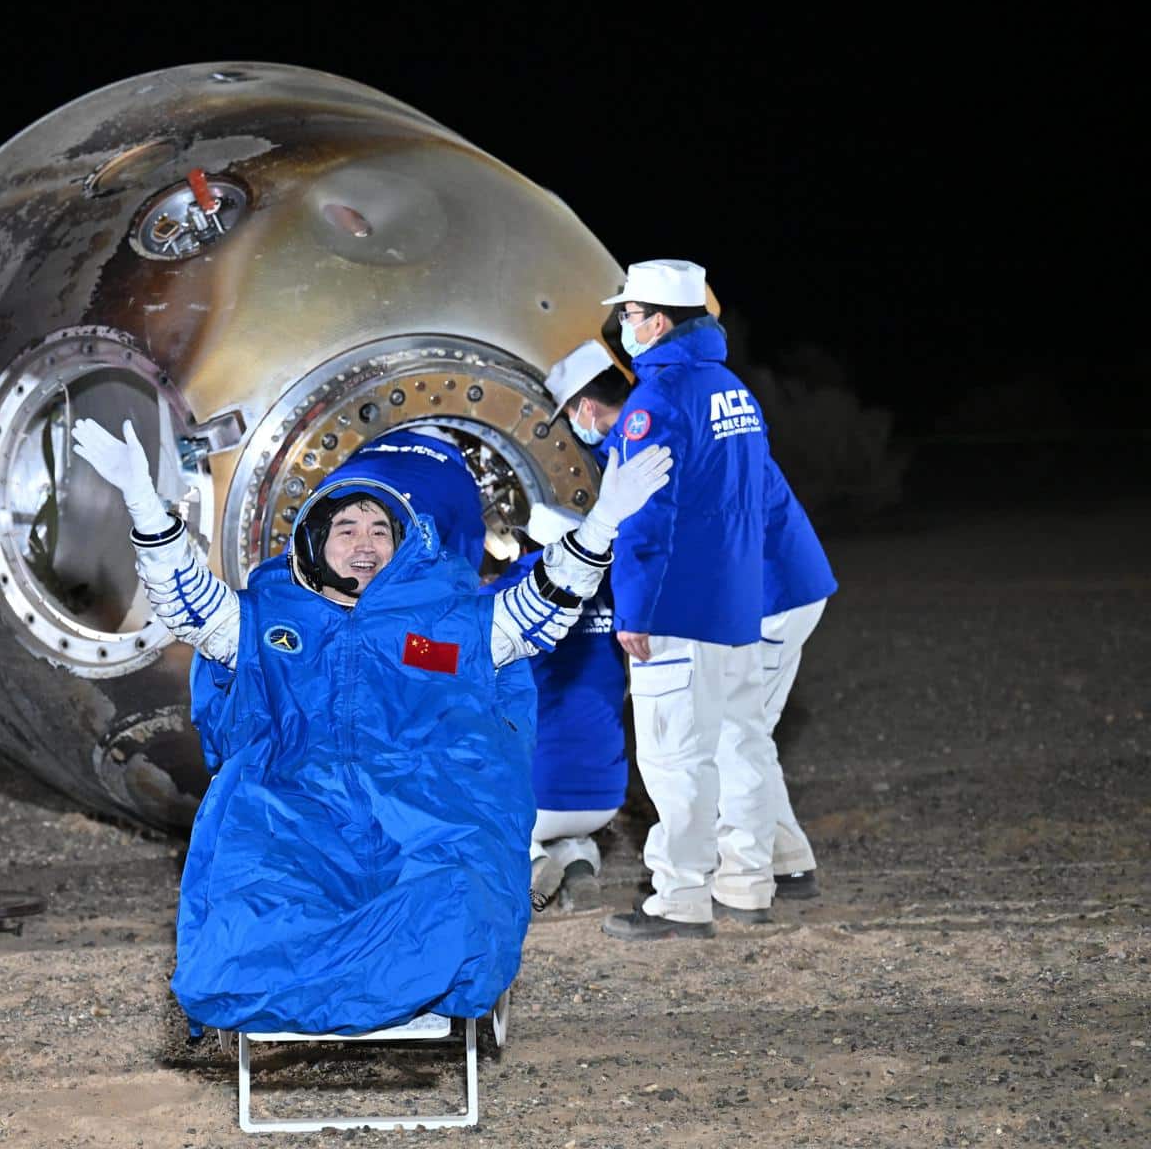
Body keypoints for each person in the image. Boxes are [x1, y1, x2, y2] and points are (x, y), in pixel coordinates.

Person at [71, 417, 672, 1033]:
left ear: (405, 542)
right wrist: (143, 502)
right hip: (293, 815)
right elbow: (185, 601)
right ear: (313, 538)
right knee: (246, 907)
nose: (365, 543)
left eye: (381, 530)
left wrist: (602, 524)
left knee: (457, 903)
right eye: (347, 528)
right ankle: (365, 988)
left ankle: (372, 988)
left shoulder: (445, 622)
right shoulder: (269, 620)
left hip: (423, 818)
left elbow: (539, 613)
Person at [593, 259, 775, 941]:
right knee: (742, 744)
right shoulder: (734, 391)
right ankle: (749, 885)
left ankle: (681, 898)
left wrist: (635, 610)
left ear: (660, 321)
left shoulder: (656, 401)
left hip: (675, 606)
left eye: (631, 315)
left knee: (676, 756)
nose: (625, 327)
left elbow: (643, 515)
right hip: (735, 601)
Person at [488, 504, 628, 915]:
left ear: (531, 544)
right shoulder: (612, 589)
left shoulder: (520, 582)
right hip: (606, 795)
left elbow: (450, 638)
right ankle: (579, 866)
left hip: (540, 796)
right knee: (566, 822)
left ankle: (530, 863)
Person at [747, 455, 838, 903]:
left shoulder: (658, 415)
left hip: (772, 593)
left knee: (735, 735)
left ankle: (750, 873)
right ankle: (787, 863)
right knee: (745, 732)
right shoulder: (696, 400)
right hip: (784, 582)